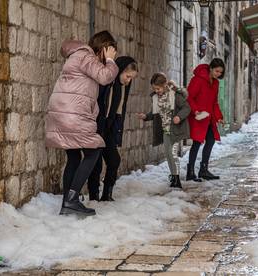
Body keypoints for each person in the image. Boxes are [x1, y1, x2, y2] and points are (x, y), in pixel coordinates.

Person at [45, 31, 119, 216]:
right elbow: (105, 77)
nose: (112, 56)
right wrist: (110, 61)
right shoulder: (86, 56)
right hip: (73, 114)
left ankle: (66, 204)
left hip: (64, 112)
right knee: (94, 150)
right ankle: (71, 199)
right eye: (110, 51)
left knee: (74, 157)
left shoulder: (78, 55)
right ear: (103, 48)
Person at [87, 56, 139, 201]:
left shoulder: (123, 87)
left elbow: (119, 109)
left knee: (114, 160)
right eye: (127, 76)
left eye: (131, 78)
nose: (129, 80)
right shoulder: (108, 82)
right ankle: (93, 196)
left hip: (108, 128)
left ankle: (107, 194)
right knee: (95, 164)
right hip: (97, 126)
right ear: (120, 70)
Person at [137, 73, 190, 189]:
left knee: (173, 154)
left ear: (165, 85)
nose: (156, 91)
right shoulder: (156, 98)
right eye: (154, 89)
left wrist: (179, 117)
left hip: (176, 130)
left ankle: (177, 180)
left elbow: (187, 108)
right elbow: (155, 113)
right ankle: (173, 176)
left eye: (158, 88)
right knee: (168, 154)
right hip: (165, 130)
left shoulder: (175, 95)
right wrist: (145, 116)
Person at [186, 58, 225, 181]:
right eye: (217, 71)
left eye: (220, 72)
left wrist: (219, 117)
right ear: (211, 68)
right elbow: (189, 97)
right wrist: (196, 110)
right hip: (197, 116)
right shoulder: (197, 80)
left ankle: (203, 169)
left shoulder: (216, 83)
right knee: (197, 143)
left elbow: (214, 103)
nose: (218, 74)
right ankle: (190, 172)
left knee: (211, 140)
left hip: (209, 118)